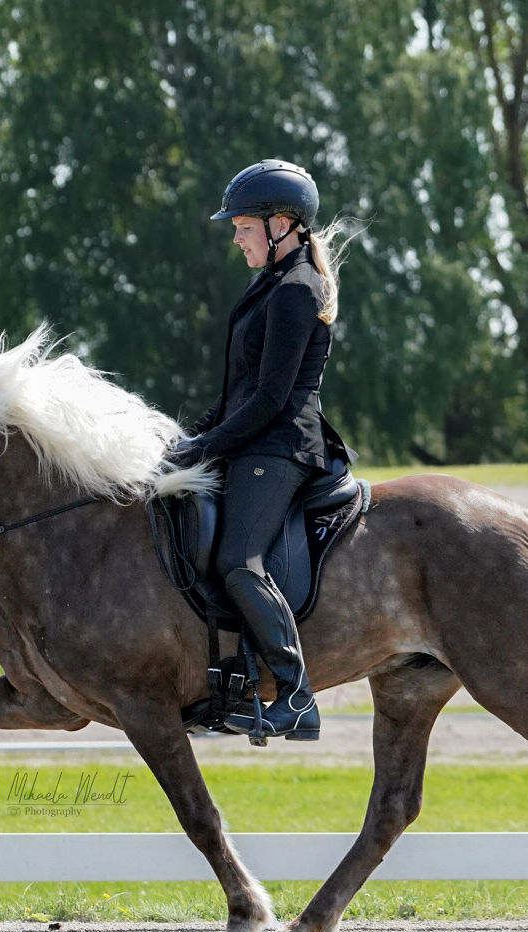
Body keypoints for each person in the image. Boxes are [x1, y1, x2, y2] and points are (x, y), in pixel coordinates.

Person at [166, 159, 352, 742]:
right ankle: (227, 680)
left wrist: (208, 445)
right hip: (251, 438)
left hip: (280, 446)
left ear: (283, 226)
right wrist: (187, 439)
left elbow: (271, 398)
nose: (236, 237)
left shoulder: (298, 289)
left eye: (244, 226)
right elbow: (238, 390)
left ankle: (296, 697)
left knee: (237, 562)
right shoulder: (269, 283)